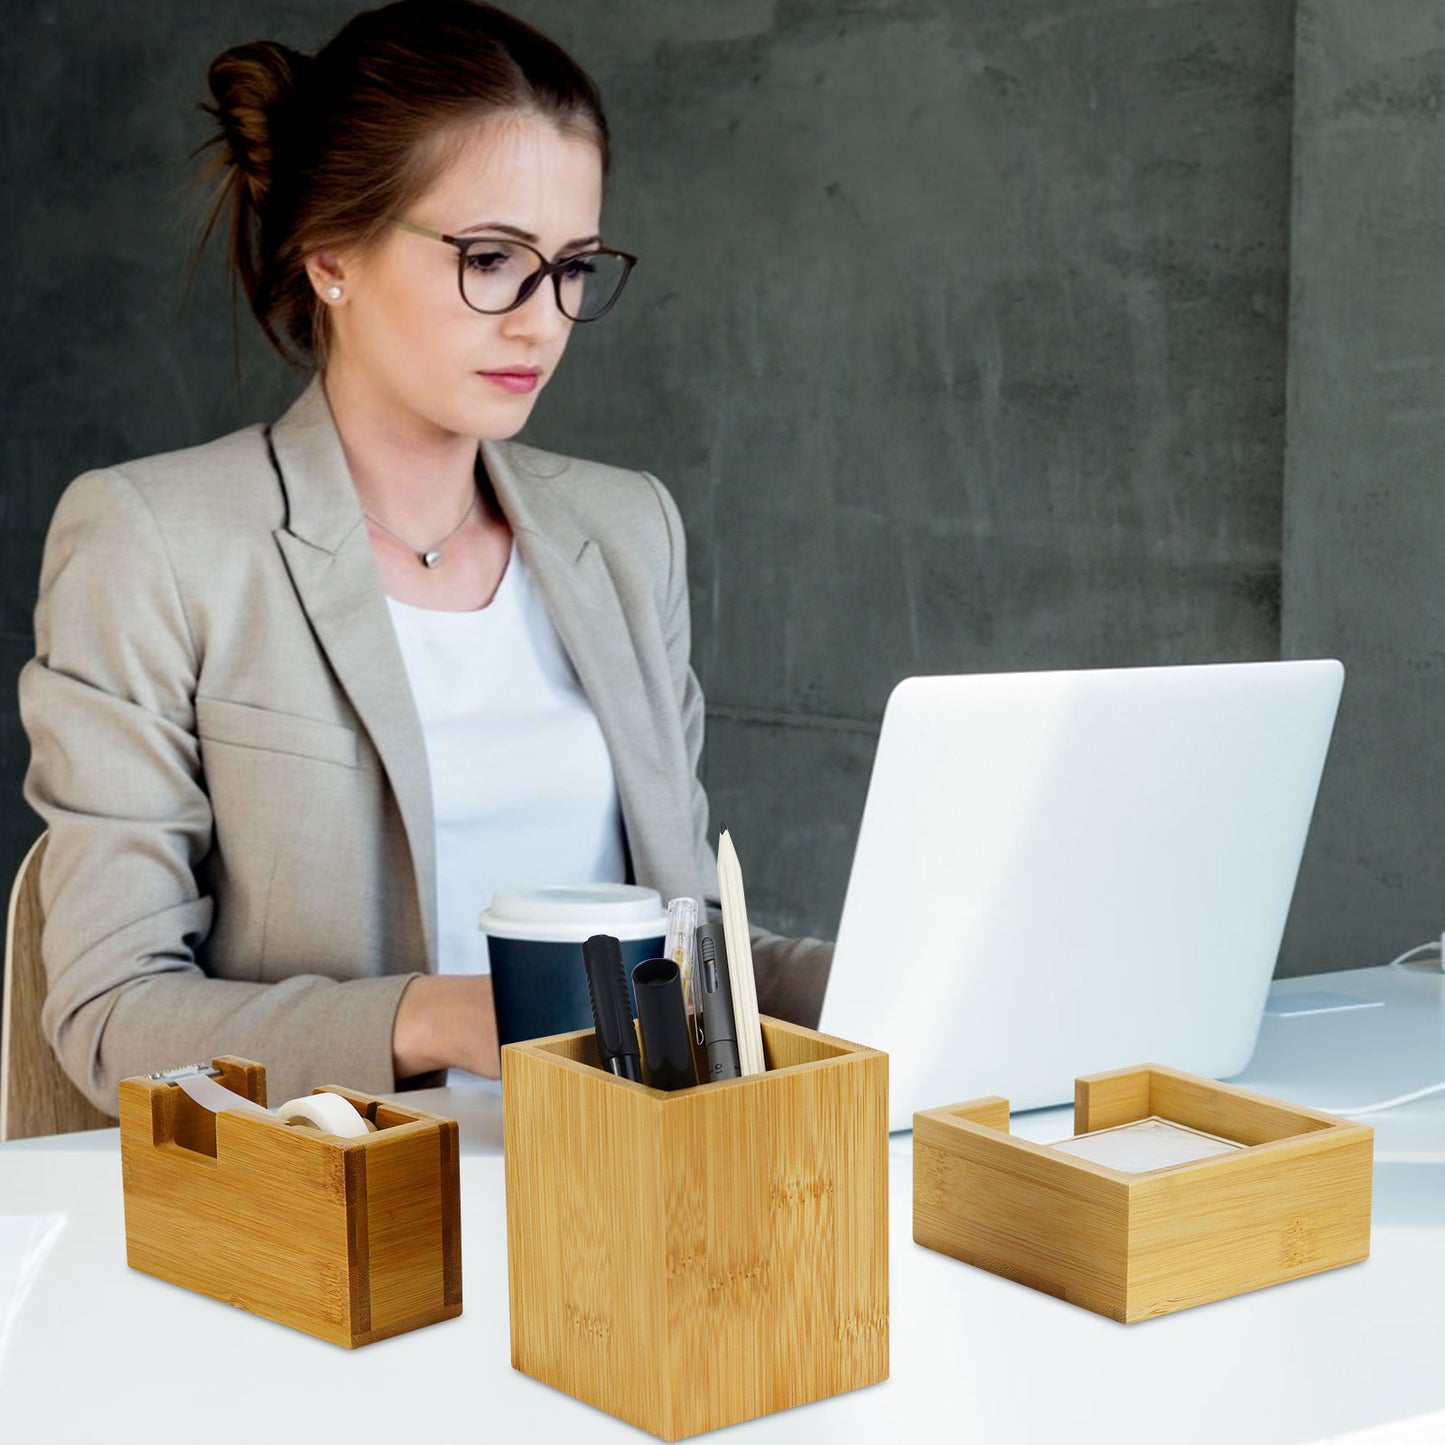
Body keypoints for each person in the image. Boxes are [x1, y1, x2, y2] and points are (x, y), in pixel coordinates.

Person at [18, 0, 830, 1115]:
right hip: (338, 1209)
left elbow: (693, 953)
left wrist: (896, 974)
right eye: (491, 259)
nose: (542, 321)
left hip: (632, 1182)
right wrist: (447, 1016)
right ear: (331, 256)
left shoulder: (626, 531)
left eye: (573, 267)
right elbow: (111, 1019)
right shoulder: (154, 541)